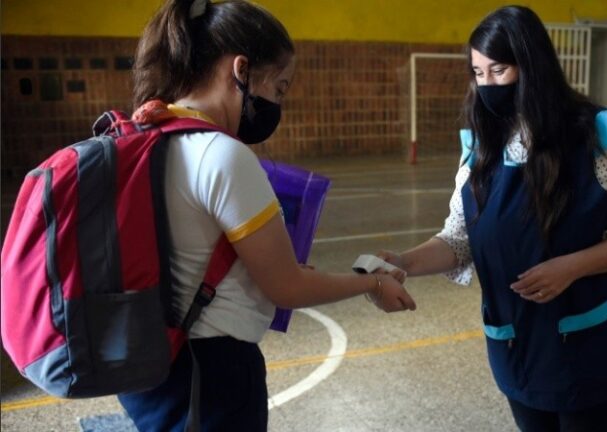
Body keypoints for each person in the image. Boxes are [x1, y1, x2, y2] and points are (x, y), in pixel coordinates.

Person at [117, 1, 416, 431]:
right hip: (212, 370)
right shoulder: (222, 155)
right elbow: (287, 288)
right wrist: (373, 283)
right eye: (279, 87)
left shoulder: (154, 131)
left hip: (154, 358)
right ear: (241, 69)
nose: (277, 102)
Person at [377, 5, 607, 432]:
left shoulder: (604, 136)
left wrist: (570, 267)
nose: (488, 85)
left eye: (499, 70)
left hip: (586, 341)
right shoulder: (481, 148)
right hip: (516, 342)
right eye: (478, 73)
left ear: (532, 67)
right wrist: (404, 261)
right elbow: (459, 238)